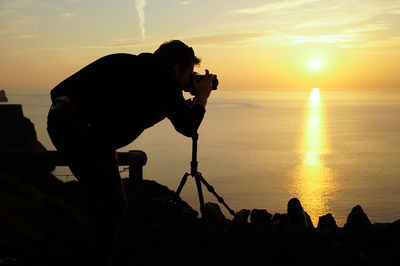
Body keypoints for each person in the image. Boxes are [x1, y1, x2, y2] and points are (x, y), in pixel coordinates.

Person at [47, 40, 215, 266]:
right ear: (176, 68)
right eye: (188, 74)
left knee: (105, 204)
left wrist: (186, 92)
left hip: (71, 124)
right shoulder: (161, 78)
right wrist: (202, 97)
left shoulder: (140, 68)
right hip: (79, 130)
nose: (187, 82)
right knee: (111, 204)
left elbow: (139, 106)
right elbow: (188, 126)